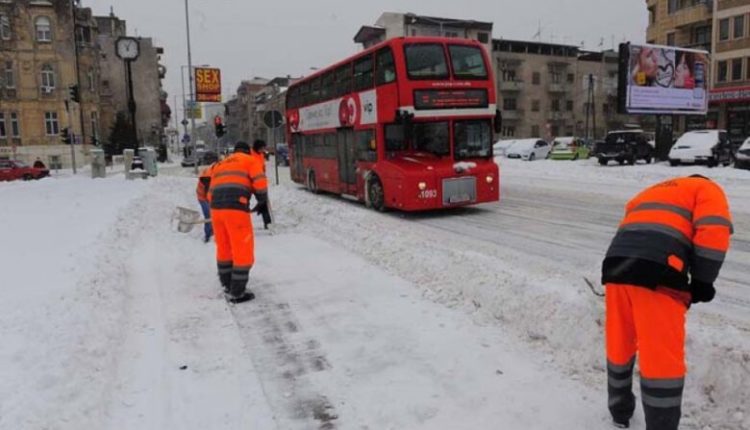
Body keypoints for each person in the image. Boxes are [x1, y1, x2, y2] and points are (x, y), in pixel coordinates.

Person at [602, 175, 733, 430]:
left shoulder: (652, 191)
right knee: (660, 360)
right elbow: (714, 229)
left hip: (617, 266)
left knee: (620, 344)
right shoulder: (707, 188)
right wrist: (703, 281)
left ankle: (619, 413)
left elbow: (631, 223)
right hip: (658, 272)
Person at [208, 141, 268, 303]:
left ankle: (227, 284)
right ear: (248, 151)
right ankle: (238, 292)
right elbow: (260, 182)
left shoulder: (221, 164)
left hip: (215, 209)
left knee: (224, 246)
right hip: (235, 209)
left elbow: (210, 192)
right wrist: (262, 201)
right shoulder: (250, 161)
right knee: (242, 248)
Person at [250, 139, 272, 229]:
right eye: (261, 148)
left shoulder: (261, 155)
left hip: (259, 183)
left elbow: (262, 168)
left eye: (264, 148)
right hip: (250, 182)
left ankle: (267, 223)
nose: (263, 150)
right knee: (244, 203)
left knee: (264, 202)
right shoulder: (250, 154)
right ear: (256, 148)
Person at [195, 163, 215, 243]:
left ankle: (213, 231)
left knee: (213, 215)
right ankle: (207, 235)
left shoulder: (212, 172)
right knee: (208, 215)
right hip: (202, 198)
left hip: (207, 196)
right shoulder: (207, 178)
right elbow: (208, 194)